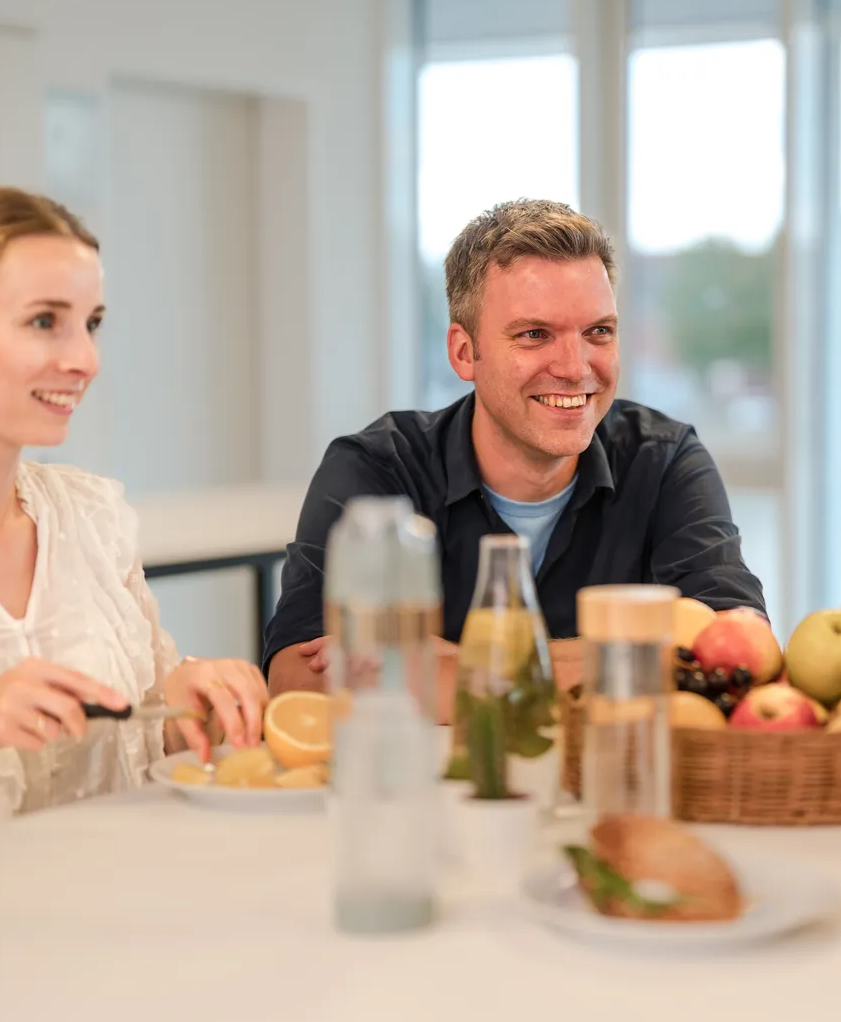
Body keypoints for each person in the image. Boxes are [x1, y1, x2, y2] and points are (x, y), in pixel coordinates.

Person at [0, 188, 268, 848]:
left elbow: (142, 740)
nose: (85, 359)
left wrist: (192, 702)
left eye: (91, 323)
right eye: (43, 321)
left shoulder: (92, 518)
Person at [265, 199, 766, 698]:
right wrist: (638, 652)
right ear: (465, 352)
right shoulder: (377, 469)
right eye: (534, 334)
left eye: (598, 332)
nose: (575, 367)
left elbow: (740, 653)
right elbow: (299, 675)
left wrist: (454, 663)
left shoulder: (663, 459)